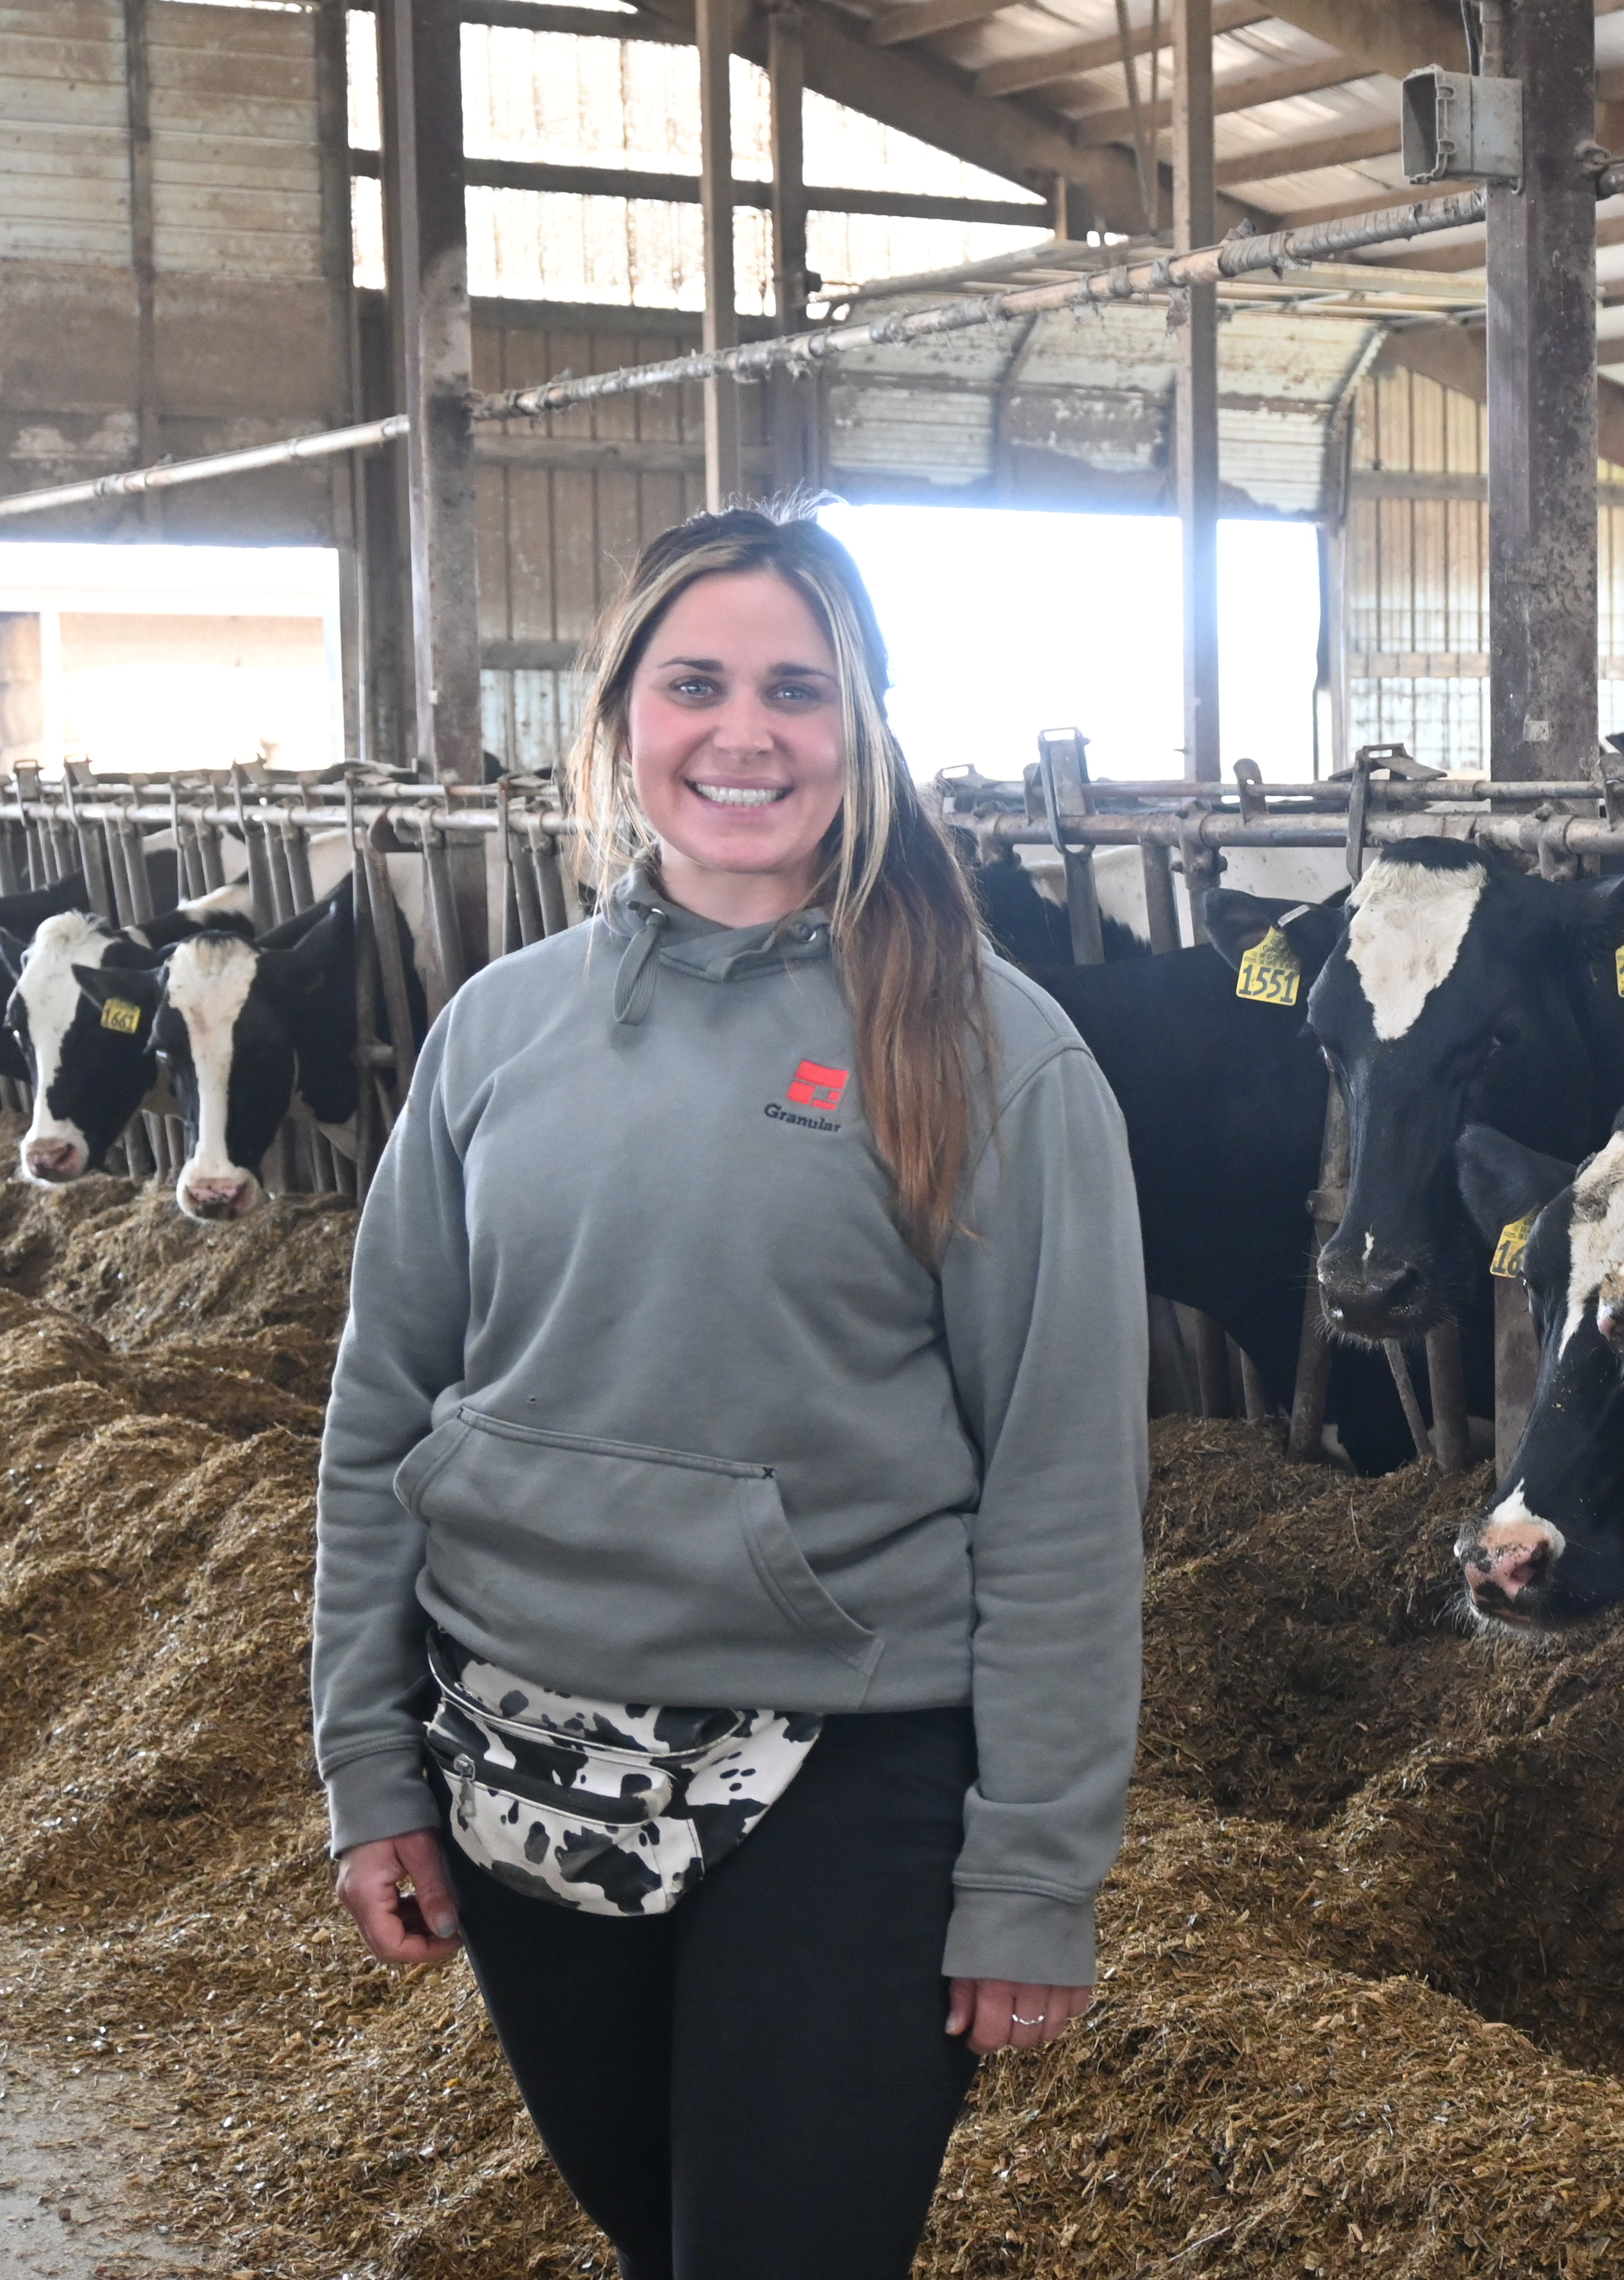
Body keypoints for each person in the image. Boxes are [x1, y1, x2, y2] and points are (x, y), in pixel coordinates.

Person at [309, 505, 1148, 2279]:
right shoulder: (495, 1031)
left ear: (866, 728)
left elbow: (1062, 1495)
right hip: (519, 1751)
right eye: (694, 683)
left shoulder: (994, 1055)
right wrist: (369, 1761)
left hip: (839, 1763)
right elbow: (381, 1412)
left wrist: (1035, 1872)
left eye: (799, 687)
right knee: (656, 2232)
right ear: (621, 716)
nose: (745, 733)